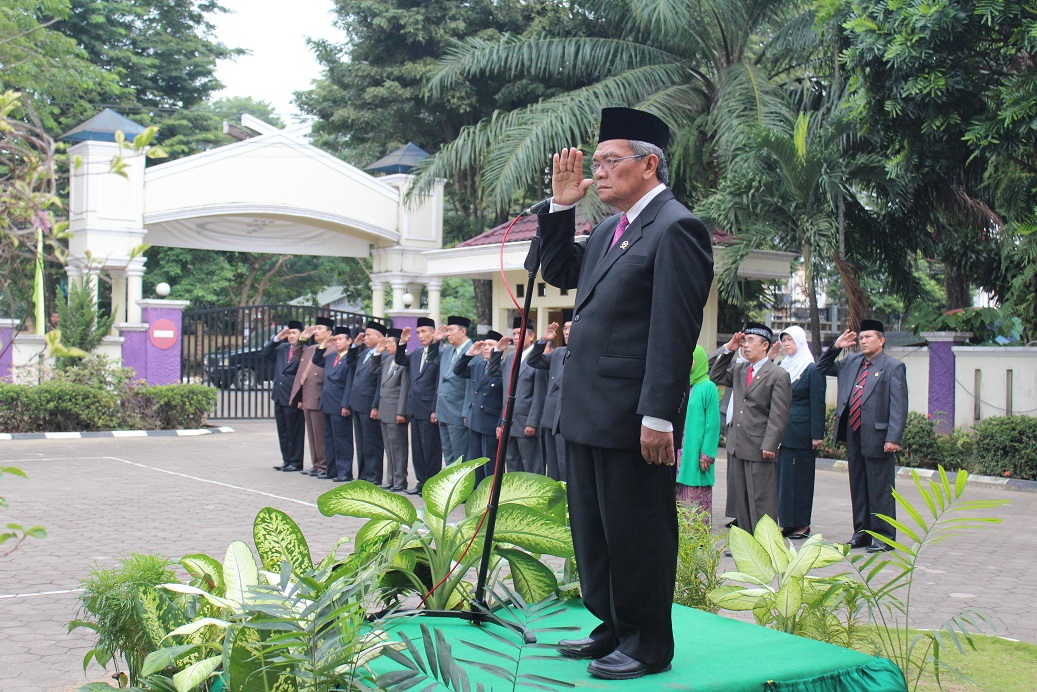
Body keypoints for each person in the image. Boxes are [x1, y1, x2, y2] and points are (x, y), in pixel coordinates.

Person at [538, 107, 713, 680]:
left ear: (649, 163)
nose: (600, 173)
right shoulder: (614, 229)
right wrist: (562, 208)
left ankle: (647, 643)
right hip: (589, 407)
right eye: (596, 163)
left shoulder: (675, 226)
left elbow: (674, 328)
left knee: (637, 528)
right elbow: (558, 271)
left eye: (611, 161)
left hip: (633, 413)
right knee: (594, 526)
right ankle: (613, 624)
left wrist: (659, 415)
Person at [816, 320, 908, 553]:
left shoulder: (893, 366)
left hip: (878, 436)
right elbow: (822, 368)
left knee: (880, 487)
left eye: (868, 337)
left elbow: (898, 405)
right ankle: (862, 533)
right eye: (862, 337)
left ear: (881, 340)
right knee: (858, 485)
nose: (863, 341)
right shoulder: (852, 361)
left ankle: (884, 536)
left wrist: (893, 438)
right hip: (853, 432)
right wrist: (835, 347)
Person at [710, 323, 792, 536]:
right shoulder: (739, 369)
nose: (745, 346)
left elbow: (778, 414)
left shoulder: (777, 374)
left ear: (765, 346)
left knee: (761, 500)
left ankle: (766, 543)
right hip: (737, 445)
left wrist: (770, 444)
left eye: (751, 341)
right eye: (744, 341)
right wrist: (728, 348)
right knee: (741, 498)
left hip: (759, 447)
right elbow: (714, 374)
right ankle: (746, 542)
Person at [775, 326, 826, 539]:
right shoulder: (781, 367)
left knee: (802, 479)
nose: (787, 344)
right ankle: (786, 522)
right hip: (782, 432)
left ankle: (802, 524)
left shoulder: (811, 368)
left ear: (801, 343)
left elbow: (818, 402)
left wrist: (817, 434)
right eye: (784, 340)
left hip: (802, 433)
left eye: (791, 340)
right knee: (784, 479)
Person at [495, 317, 548, 474]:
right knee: (512, 463)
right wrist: (498, 351)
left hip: (526, 422)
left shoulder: (537, 359)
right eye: (514, 334)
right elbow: (493, 372)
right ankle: (516, 497)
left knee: (531, 465)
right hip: (509, 422)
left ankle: (534, 498)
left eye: (520, 333)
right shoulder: (510, 357)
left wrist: (532, 422)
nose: (516, 337)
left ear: (531, 336)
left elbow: (539, 394)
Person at [397, 317, 442, 496]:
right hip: (415, 408)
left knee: (431, 449)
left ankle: (432, 483)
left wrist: (434, 409)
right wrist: (402, 342)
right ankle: (421, 481)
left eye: (424, 332)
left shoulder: (438, 353)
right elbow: (400, 360)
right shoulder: (416, 353)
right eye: (418, 333)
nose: (420, 335)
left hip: (428, 409)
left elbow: (437, 383)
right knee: (418, 449)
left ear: (433, 332)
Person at [676, 345, 721, 520]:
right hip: (678, 452)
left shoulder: (707, 387)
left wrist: (707, 454)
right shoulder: (681, 384)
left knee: (695, 501)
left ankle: (697, 542)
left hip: (696, 454)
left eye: (691, 359)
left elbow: (713, 424)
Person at [453, 330, 504, 485]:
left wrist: (500, 423)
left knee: (491, 464)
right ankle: (478, 493)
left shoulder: (503, 366)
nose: (486, 348)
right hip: (475, 420)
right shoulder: (479, 365)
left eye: (491, 345)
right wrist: (469, 354)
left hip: (491, 420)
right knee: (476, 462)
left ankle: (490, 495)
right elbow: (458, 371)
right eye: (485, 345)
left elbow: (505, 400)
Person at [527, 317, 571, 481]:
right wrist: (543, 340)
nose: (567, 332)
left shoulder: (585, 354)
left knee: (566, 466)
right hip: (550, 417)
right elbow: (533, 360)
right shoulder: (558, 353)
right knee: (552, 468)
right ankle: (555, 503)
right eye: (565, 328)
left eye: (570, 328)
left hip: (568, 420)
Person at [289, 317, 334, 477]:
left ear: (329, 333)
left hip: (319, 395)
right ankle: (316, 464)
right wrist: (302, 339)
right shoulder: (312, 348)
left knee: (320, 433)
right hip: (308, 395)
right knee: (312, 433)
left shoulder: (332, 349)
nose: (316, 331)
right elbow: (296, 355)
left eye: (320, 328)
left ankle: (324, 465)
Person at [312, 326, 355, 482]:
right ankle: (332, 469)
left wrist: (346, 405)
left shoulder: (350, 358)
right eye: (335, 339)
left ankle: (344, 471)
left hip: (340, 403)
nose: (336, 342)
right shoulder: (331, 357)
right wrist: (324, 344)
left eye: (340, 339)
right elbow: (316, 360)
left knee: (342, 439)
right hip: (328, 403)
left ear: (349, 341)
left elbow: (349, 383)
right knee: (329, 438)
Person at [348, 321, 388, 485]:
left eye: (368, 334)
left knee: (372, 442)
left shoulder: (383, 355)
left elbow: (380, 383)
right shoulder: (364, 353)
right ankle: (364, 473)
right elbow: (350, 363)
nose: (365, 337)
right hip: (358, 403)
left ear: (379, 338)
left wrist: (375, 405)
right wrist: (354, 345)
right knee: (361, 441)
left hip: (369, 404)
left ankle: (374, 475)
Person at [262, 320, 304, 472]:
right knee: (283, 430)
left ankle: (296, 461)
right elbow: (265, 354)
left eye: (294, 333)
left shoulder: (304, 351)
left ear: (301, 334)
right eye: (289, 333)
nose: (291, 336)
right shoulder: (283, 348)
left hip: (293, 396)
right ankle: (286, 459)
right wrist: (277, 338)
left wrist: (301, 398)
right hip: (279, 395)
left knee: (295, 431)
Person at [434, 316, 474, 466]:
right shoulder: (448, 350)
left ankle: (464, 488)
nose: (447, 333)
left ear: (463, 331)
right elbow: (432, 362)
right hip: (443, 410)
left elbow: (471, 385)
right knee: (448, 455)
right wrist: (435, 341)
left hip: (458, 412)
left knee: (461, 456)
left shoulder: (473, 351)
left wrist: (466, 412)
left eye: (451, 330)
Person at [375, 328, 410, 492]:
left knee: (398, 448)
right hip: (384, 409)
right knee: (389, 447)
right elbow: (373, 370)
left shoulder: (404, 362)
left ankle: (400, 480)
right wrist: (377, 353)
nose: (386, 345)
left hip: (396, 410)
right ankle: (390, 479)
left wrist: (401, 412)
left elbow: (404, 388)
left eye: (389, 342)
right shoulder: (387, 360)